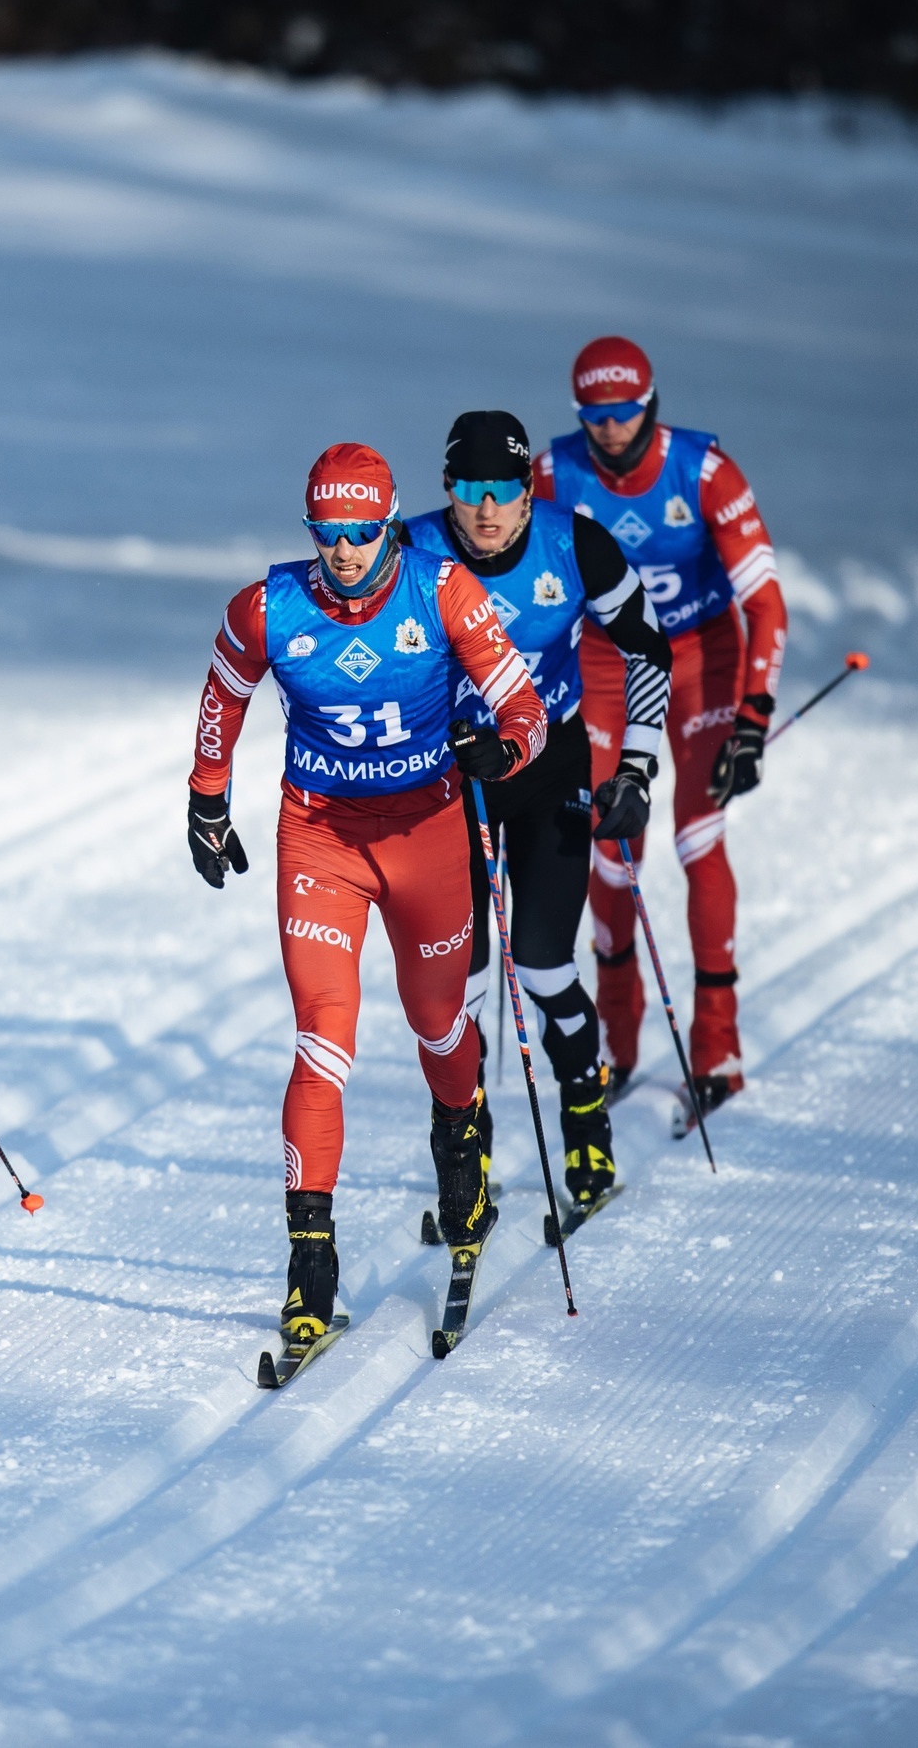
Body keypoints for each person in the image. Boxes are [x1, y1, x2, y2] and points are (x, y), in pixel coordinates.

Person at [185, 443, 549, 1365]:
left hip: (426, 833)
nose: (344, 553)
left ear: (389, 522)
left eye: (361, 533)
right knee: (322, 1039)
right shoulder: (269, 606)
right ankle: (311, 1265)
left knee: (438, 1026)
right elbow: (224, 691)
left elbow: (525, 704)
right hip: (321, 839)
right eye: (327, 534)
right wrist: (206, 798)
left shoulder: (445, 592)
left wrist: (500, 751)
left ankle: (461, 1149)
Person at [406, 411, 672, 1208]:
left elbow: (647, 645)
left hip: (549, 767)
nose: (486, 510)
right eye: (468, 489)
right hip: (448, 783)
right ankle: (467, 1159)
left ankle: (586, 1126)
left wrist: (636, 768)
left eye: (505, 490)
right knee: (464, 983)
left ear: (529, 491)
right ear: (447, 490)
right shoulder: (408, 550)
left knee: (546, 963)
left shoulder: (575, 542)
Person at [531, 338, 788, 1114]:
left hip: (701, 653)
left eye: (625, 412)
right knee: (609, 845)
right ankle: (617, 1042)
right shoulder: (553, 473)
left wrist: (753, 713)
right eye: (595, 416)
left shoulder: (704, 471)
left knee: (696, 835)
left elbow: (764, 599)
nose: (611, 429)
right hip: (611, 661)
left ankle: (718, 1044)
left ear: (652, 402)